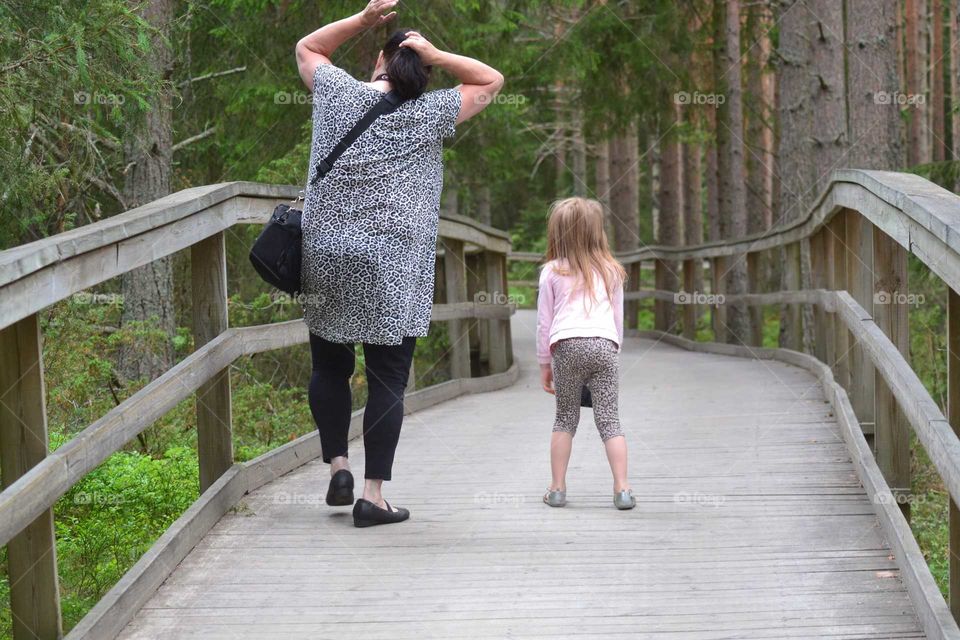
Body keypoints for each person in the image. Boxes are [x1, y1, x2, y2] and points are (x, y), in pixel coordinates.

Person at [294, 0, 504, 527]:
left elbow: (309, 47)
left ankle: (338, 464)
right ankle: (372, 496)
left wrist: (366, 20)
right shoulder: (428, 114)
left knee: (330, 366)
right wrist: (437, 53)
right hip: (393, 266)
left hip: (327, 257)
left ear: (377, 64)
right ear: (422, 72)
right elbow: (490, 81)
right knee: (388, 379)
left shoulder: (339, 94)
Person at [536, 197, 635, 510]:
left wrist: (544, 364)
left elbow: (544, 322)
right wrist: (613, 349)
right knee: (610, 421)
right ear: (598, 233)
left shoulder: (552, 272)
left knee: (565, 418)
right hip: (605, 346)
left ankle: (557, 488)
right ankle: (622, 489)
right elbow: (617, 319)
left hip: (566, 347)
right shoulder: (612, 271)